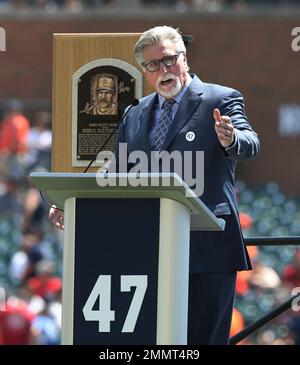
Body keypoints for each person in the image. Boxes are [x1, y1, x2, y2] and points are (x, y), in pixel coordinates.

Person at [50, 25, 260, 345]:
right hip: (149, 251)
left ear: (184, 58)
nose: (163, 70)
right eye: (152, 65)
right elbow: (116, 174)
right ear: (144, 71)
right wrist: (75, 203)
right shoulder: (135, 112)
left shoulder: (220, 98)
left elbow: (251, 143)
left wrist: (231, 139)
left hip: (208, 248)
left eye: (169, 60)